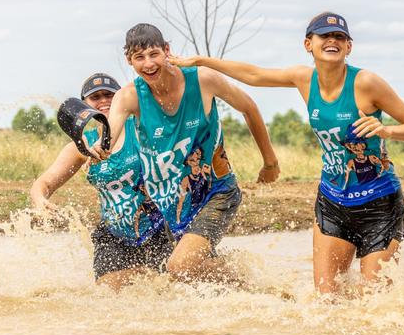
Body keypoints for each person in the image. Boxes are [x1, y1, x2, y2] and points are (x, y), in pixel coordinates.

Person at [170, 12, 404, 295]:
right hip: (333, 200)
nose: (332, 41)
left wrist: (386, 130)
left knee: (375, 298)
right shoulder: (304, 78)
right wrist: (201, 61)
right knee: (326, 299)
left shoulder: (366, 83)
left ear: (349, 47)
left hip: (380, 202)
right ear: (309, 44)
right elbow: (255, 75)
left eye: (339, 37)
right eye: (325, 36)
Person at [88, 24, 278, 283]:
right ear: (129, 60)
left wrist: (270, 162)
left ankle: (248, 286)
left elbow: (249, 108)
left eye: (154, 54)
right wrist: (100, 148)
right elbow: (109, 135)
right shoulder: (129, 96)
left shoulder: (202, 80)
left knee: (179, 267)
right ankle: (235, 287)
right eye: (139, 57)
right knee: (174, 279)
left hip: (216, 193)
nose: (148, 64)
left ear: (167, 50)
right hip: (171, 204)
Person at [30, 73, 171, 289]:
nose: (103, 101)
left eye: (109, 95)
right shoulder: (83, 146)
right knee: (107, 291)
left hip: (159, 226)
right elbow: (44, 183)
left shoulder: (142, 129)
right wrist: (40, 200)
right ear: (85, 105)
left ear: (121, 98)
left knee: (168, 285)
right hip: (114, 235)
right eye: (95, 97)